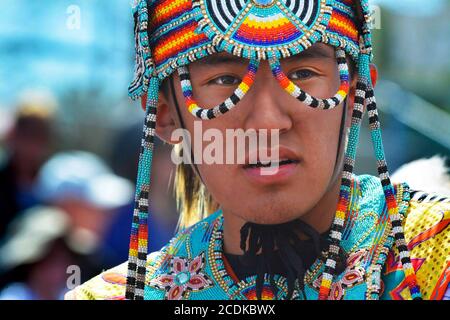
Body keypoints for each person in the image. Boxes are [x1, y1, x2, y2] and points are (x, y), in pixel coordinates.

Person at [66, 0, 450, 300]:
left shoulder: (437, 257)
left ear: (358, 95)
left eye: (303, 74)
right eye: (225, 80)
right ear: (164, 116)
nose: (267, 121)